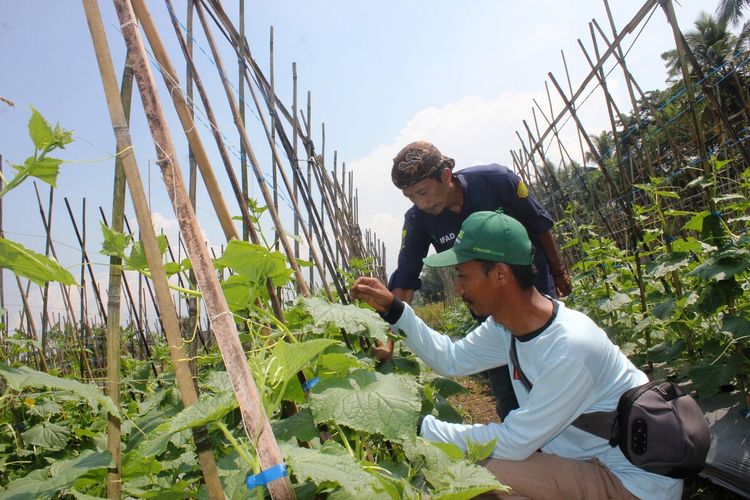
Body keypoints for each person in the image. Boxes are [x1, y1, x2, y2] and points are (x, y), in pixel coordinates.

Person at [352, 210, 682, 499]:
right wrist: (396, 310)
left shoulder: (569, 347)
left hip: (633, 485)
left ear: (500, 275)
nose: (458, 289)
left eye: (463, 276)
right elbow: (451, 358)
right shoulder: (505, 327)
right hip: (582, 463)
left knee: (469, 475)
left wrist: (421, 427)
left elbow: (514, 442)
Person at [380, 140, 571, 420]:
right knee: (507, 389)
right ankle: (522, 439)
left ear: (445, 176)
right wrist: (389, 341)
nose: (420, 203)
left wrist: (558, 271)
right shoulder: (419, 219)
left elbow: (539, 226)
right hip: (490, 310)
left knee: (550, 368)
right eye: (411, 197)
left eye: (423, 192)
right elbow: (405, 280)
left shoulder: (497, 181)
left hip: (533, 292)